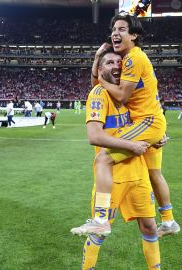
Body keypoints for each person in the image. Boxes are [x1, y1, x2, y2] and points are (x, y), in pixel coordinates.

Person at [83, 13, 179, 237]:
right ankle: (168, 220)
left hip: (147, 121)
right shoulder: (132, 57)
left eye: (122, 29)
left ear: (134, 35)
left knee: (104, 157)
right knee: (155, 173)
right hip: (153, 121)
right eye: (114, 29)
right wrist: (98, 62)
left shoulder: (133, 58)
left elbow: (121, 95)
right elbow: (103, 87)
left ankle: (100, 219)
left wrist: (101, 78)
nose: (115, 33)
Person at [71, 50, 160, 269]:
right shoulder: (99, 94)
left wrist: (156, 139)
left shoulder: (128, 95)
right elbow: (94, 136)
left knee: (150, 227)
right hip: (112, 178)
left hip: (138, 174)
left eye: (119, 62)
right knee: (99, 233)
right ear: (100, 70)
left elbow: (143, 127)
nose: (116, 65)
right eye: (109, 62)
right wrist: (132, 146)